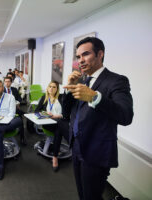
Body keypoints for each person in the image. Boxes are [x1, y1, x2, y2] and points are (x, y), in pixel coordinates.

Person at [63, 37, 133, 200]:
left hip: (96, 152)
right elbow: (67, 113)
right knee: (82, 195)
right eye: (78, 57)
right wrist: (69, 88)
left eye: (85, 54)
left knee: (91, 197)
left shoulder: (116, 80)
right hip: (77, 147)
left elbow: (125, 115)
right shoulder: (83, 81)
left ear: (100, 54)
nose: (81, 60)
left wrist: (95, 97)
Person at [35, 81, 68, 171]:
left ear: (57, 89)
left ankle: (55, 156)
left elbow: (66, 113)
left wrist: (56, 116)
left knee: (59, 129)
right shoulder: (44, 98)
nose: (51, 88)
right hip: (48, 123)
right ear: (47, 87)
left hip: (59, 121)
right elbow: (36, 111)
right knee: (60, 128)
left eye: (54, 87)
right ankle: (69, 142)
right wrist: (45, 113)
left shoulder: (61, 98)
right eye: (50, 86)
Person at [3, 76, 26, 145]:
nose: (7, 83)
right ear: (4, 82)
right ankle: (23, 113)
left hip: (14, 107)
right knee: (21, 115)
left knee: (20, 120)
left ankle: (22, 138)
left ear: (11, 82)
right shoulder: (2, 90)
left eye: (8, 81)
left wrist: (17, 102)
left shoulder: (14, 89)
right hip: (5, 110)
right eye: (5, 81)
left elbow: (19, 98)